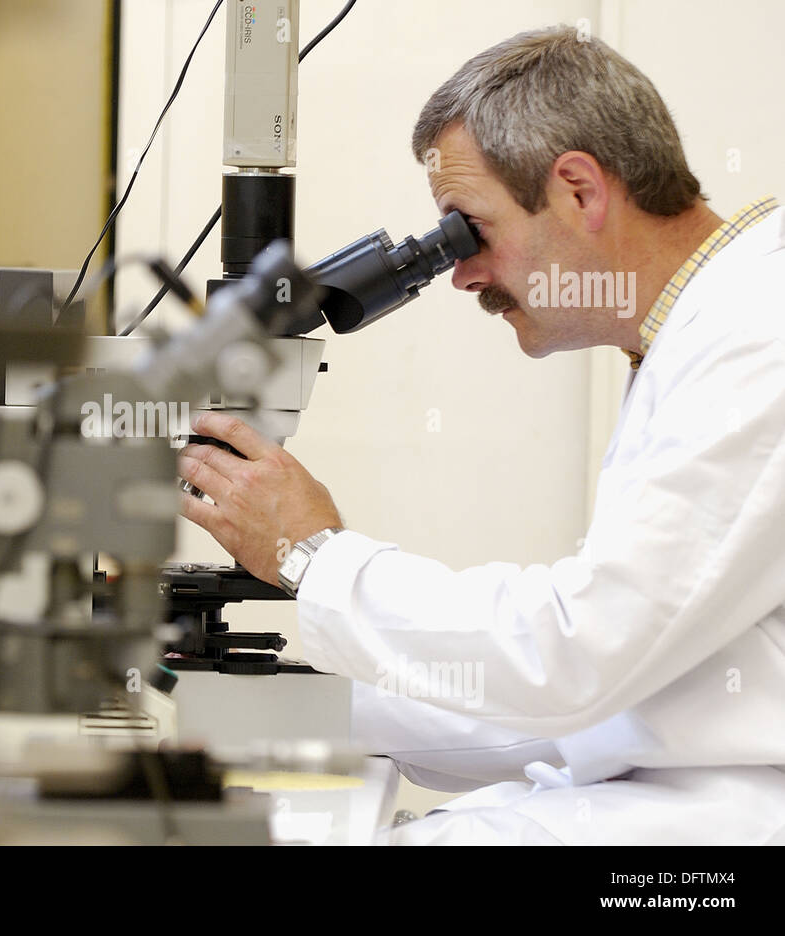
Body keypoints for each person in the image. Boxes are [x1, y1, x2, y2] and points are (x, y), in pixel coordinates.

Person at [178, 24, 785, 845]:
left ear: (578, 189)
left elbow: (579, 653)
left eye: (467, 229)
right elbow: (615, 698)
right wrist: (280, 708)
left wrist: (313, 555)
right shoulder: (693, 326)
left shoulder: (757, 330)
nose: (459, 271)